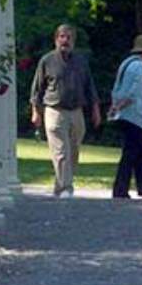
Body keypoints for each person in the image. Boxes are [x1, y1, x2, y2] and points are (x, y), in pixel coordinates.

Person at [29, 24, 101, 198]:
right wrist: (35, 111)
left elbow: (89, 87)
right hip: (54, 110)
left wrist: (95, 110)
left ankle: (59, 186)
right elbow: (37, 88)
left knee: (73, 152)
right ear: (56, 39)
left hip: (77, 111)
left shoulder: (81, 61)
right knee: (61, 152)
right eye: (61, 36)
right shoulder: (47, 61)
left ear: (73, 41)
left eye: (68, 37)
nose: (65, 40)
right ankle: (66, 188)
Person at [108, 34, 142, 199]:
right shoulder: (140, 67)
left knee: (141, 154)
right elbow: (133, 92)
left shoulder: (126, 64)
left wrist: (115, 106)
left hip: (127, 115)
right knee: (131, 154)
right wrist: (120, 105)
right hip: (136, 116)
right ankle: (120, 189)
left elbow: (118, 88)